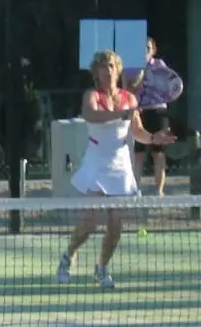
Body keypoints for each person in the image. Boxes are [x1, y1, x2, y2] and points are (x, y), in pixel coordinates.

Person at [56, 50, 175, 289]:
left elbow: (137, 131)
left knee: (116, 223)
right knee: (90, 222)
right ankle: (68, 256)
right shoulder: (92, 95)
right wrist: (120, 113)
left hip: (120, 165)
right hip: (97, 162)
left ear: (118, 70)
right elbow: (91, 115)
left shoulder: (129, 99)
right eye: (103, 66)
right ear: (96, 73)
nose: (108, 70)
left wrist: (153, 137)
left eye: (111, 66)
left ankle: (101, 268)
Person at [128, 38, 180, 197]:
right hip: (140, 111)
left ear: (153, 50)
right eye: (142, 47)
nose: (144, 50)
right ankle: (135, 189)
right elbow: (128, 89)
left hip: (158, 111)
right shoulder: (132, 67)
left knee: (159, 153)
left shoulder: (160, 66)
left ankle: (159, 190)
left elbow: (170, 87)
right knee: (138, 154)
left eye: (148, 48)